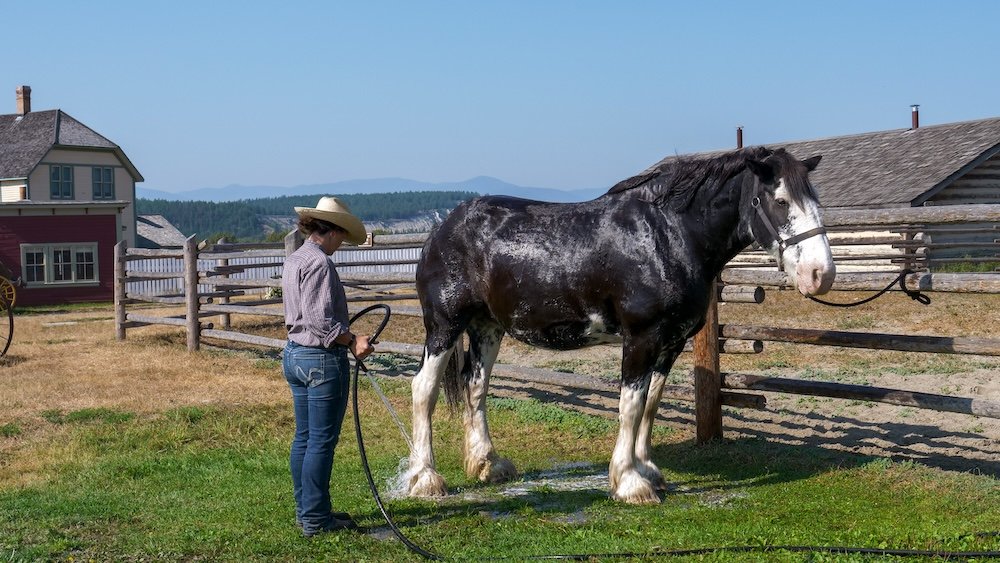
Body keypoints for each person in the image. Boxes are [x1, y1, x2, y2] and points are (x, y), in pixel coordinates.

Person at [281, 196, 375, 537]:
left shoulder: (296, 259)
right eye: (341, 236)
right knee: (320, 441)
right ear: (332, 231)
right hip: (320, 360)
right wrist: (353, 341)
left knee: (304, 439)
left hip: (295, 355)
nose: (341, 243)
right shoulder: (320, 263)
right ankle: (316, 520)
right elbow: (321, 322)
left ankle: (310, 509)